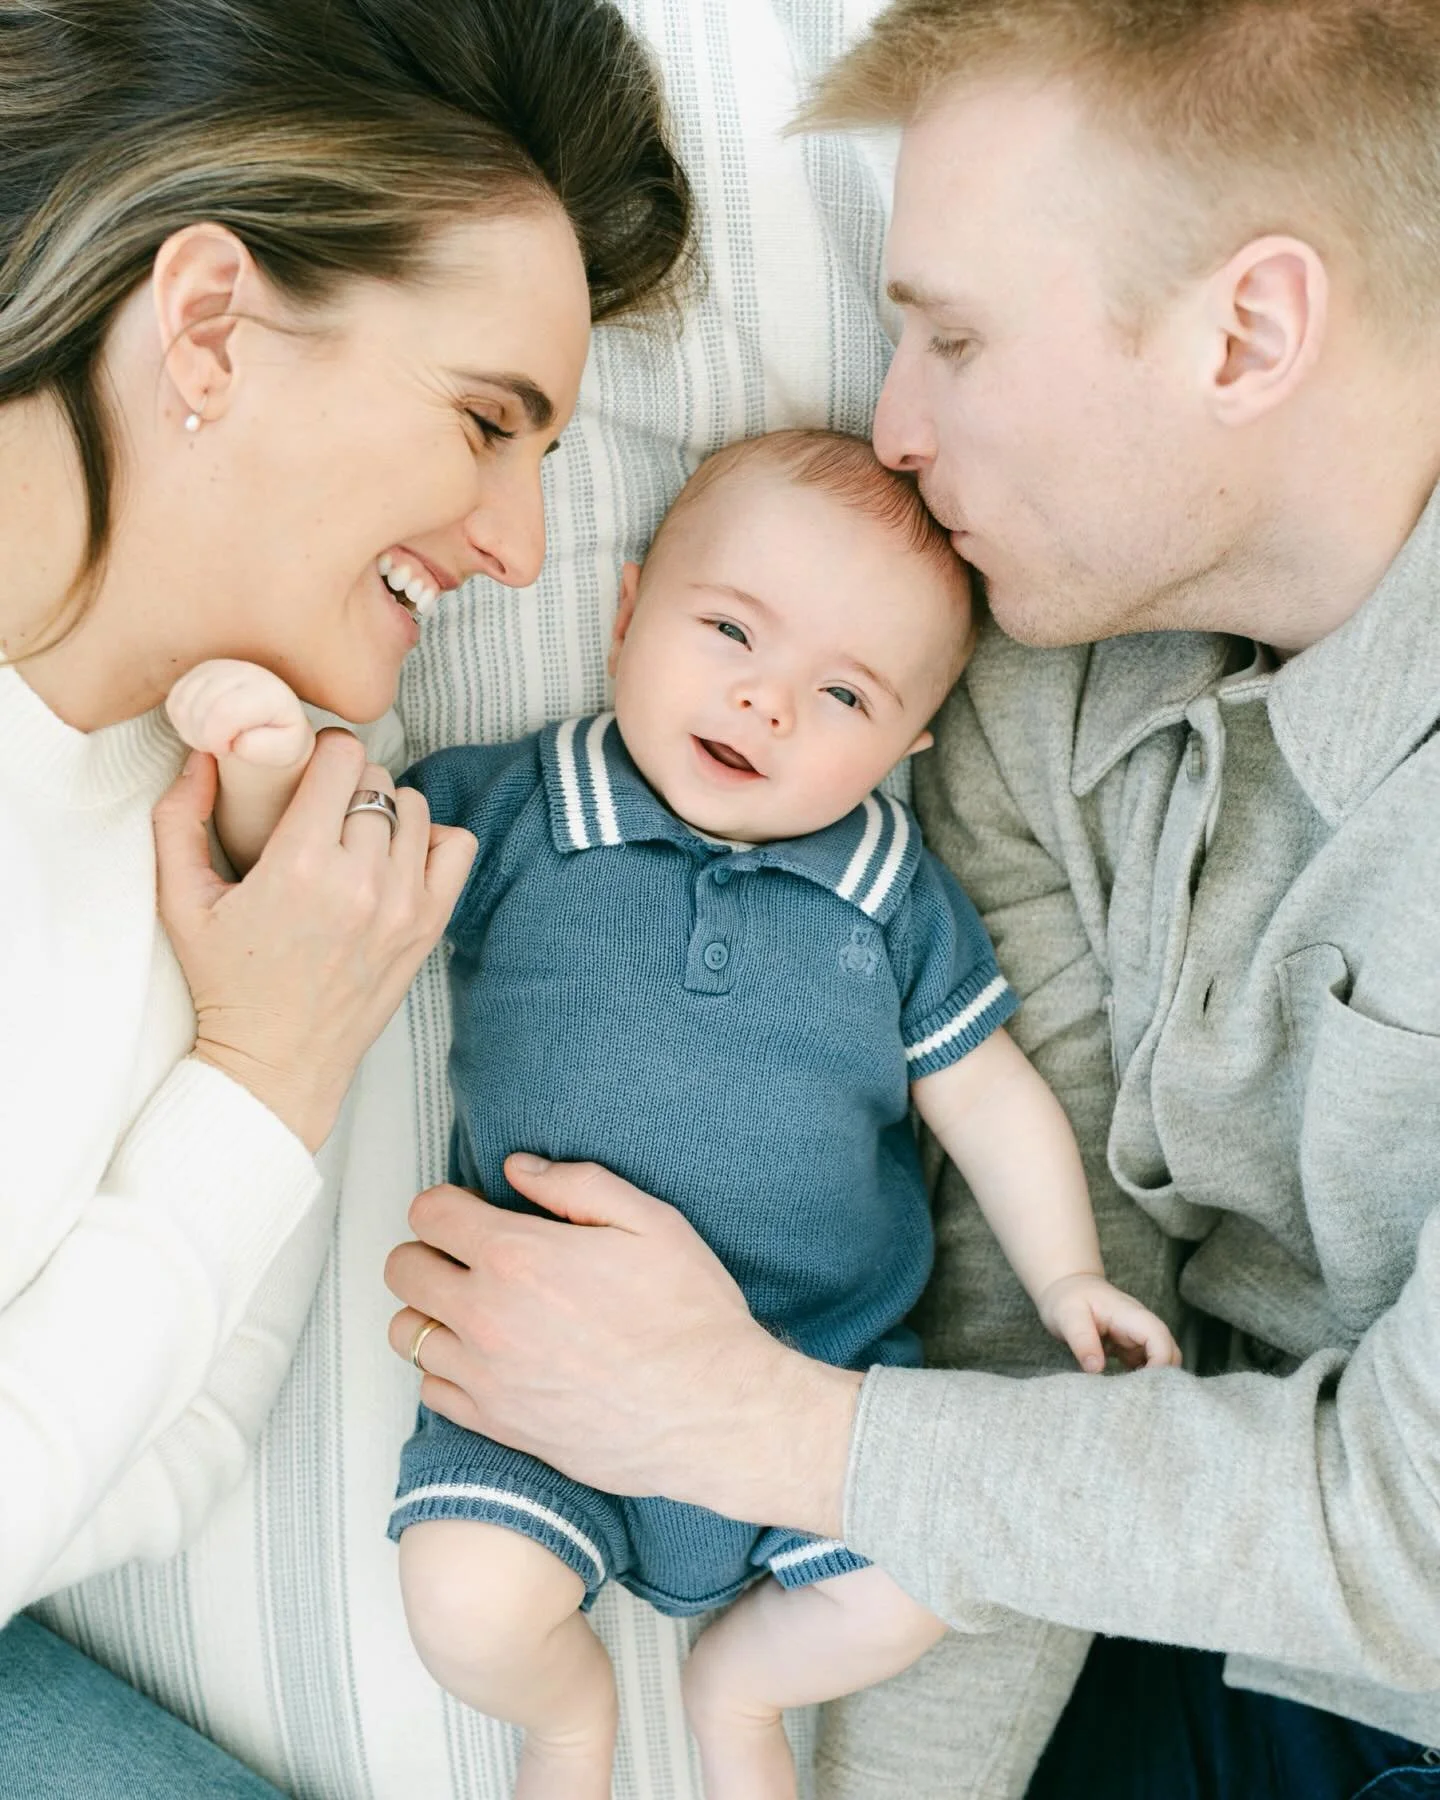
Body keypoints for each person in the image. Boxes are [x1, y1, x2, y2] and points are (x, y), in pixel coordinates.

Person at [381, 3, 1440, 1797]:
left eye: (954, 338)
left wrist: (747, 1418)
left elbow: (1413, 1544)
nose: (894, 428)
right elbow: (1026, 1333)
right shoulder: (1035, 677)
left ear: (1248, 332)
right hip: (1157, 1615)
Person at [168, 427, 1180, 1800]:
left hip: (817, 1379)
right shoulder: (520, 809)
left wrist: (1067, 1274)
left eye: (843, 693)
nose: (766, 703)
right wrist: (266, 768)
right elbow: (333, 880)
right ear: (628, 614)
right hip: (535, 1392)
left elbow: (990, 1094)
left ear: (908, 743)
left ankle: (739, 1687)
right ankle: (569, 1721)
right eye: (730, 632)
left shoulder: (890, 891)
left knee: (923, 1580)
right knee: (465, 1602)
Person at [0, 0, 693, 1793]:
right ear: (210, 325)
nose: (523, 548)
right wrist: (256, 1087)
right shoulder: (268, 974)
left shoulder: (260, 864)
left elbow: (193, 1448)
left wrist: (281, 1056)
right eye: (485, 420)